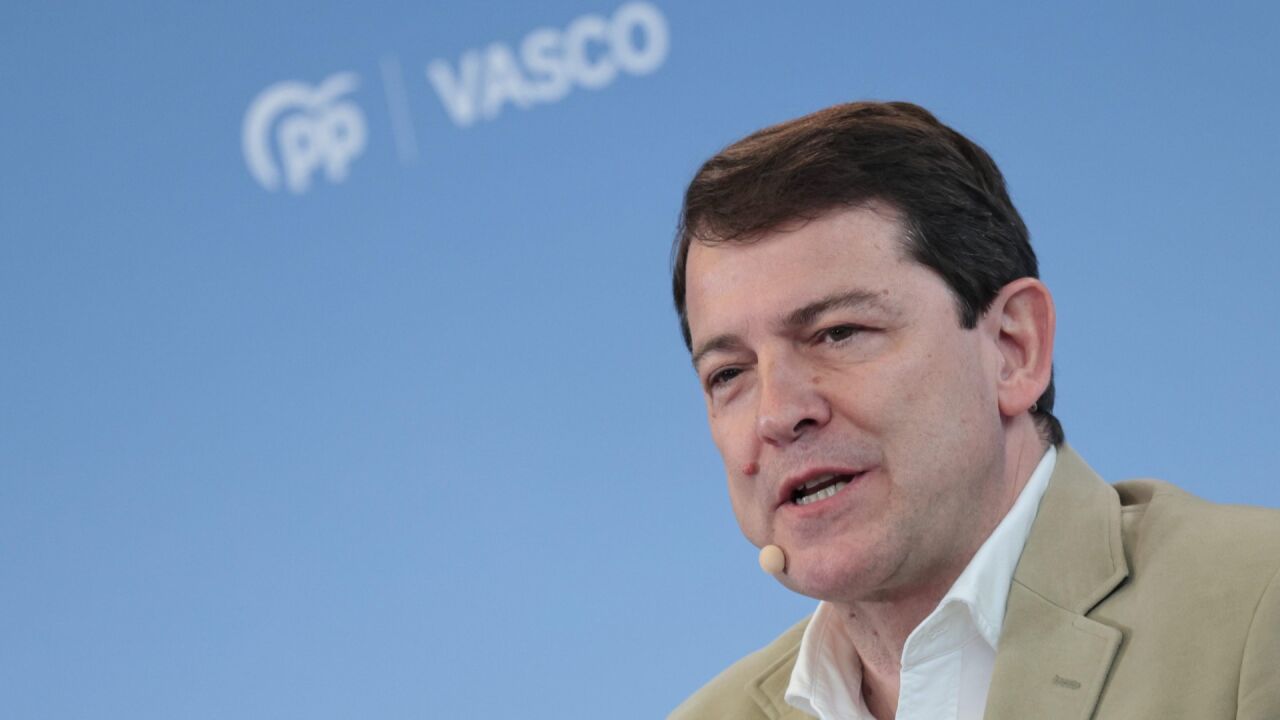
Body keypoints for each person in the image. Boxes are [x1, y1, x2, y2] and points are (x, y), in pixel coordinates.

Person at [667, 101, 1280, 720]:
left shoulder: (1260, 610)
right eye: (729, 374)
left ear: (1014, 348)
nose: (777, 414)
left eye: (838, 333)